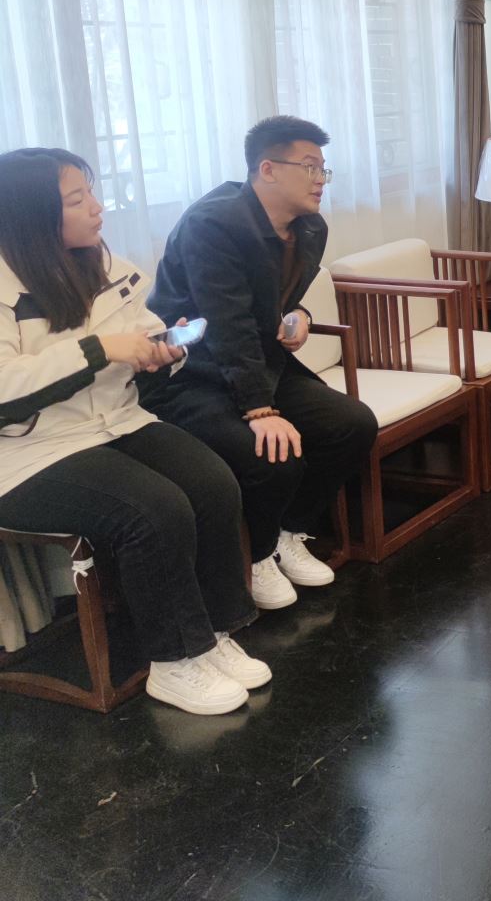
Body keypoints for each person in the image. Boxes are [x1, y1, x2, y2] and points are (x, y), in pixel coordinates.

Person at [0, 148, 269, 716]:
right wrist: (101, 348)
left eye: (92, 193)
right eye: (77, 200)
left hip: (113, 422)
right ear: (31, 215)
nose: (97, 208)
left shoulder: (98, 261)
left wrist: (162, 347)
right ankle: (174, 663)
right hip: (28, 453)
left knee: (213, 482)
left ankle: (214, 634)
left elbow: (139, 330)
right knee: (152, 508)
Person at [138, 117, 377, 611]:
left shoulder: (309, 227)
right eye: (309, 167)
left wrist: (299, 315)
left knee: (352, 424)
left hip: (256, 364)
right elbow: (226, 323)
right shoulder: (213, 225)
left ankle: (290, 531)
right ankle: (259, 553)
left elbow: (277, 299)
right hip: (191, 375)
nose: (320, 180)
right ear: (267, 169)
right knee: (273, 453)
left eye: (324, 169)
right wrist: (260, 410)